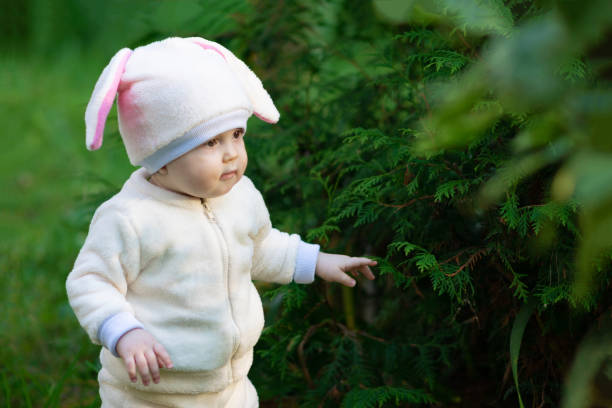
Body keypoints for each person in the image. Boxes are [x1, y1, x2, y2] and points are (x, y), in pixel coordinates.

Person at [66, 36, 376, 407]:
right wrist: (124, 332)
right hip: (152, 393)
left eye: (237, 134)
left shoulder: (240, 197)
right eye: (211, 143)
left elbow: (260, 247)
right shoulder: (131, 218)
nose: (231, 154)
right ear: (161, 157)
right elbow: (91, 281)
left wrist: (318, 261)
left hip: (230, 386)